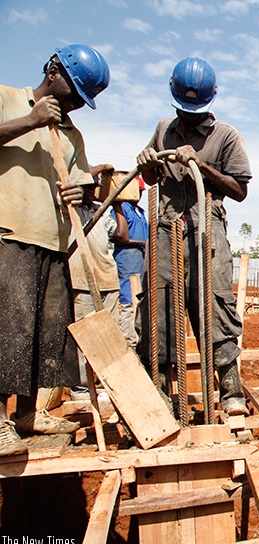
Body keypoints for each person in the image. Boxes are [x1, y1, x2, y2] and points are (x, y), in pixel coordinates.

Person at [0, 44, 110, 453]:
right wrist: (30, 120)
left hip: (54, 242)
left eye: (81, 101)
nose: (74, 106)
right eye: (72, 95)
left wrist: (81, 189)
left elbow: (83, 183)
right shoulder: (8, 99)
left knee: (46, 333)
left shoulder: (71, 134)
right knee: (9, 330)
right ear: (53, 72)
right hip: (11, 232)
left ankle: (29, 412)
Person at [136, 57, 251, 417]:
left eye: (195, 111)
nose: (188, 117)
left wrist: (200, 166)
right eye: (183, 110)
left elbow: (240, 190)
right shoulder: (163, 129)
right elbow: (152, 180)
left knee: (215, 305)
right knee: (160, 307)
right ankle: (160, 393)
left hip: (207, 231)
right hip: (167, 227)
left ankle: (230, 390)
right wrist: (146, 164)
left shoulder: (226, 136)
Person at [69, 164, 121, 398]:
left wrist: (117, 202)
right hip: (81, 278)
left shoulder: (101, 211)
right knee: (85, 333)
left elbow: (120, 234)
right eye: (86, 186)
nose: (91, 191)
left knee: (110, 334)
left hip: (107, 277)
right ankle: (81, 386)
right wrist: (100, 168)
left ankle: (105, 382)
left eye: (94, 188)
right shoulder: (70, 210)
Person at [106, 174, 148, 348]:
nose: (139, 195)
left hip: (141, 262)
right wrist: (142, 243)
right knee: (128, 301)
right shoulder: (121, 208)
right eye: (137, 191)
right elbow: (119, 237)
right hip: (127, 260)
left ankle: (137, 341)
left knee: (139, 301)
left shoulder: (141, 212)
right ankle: (128, 343)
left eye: (141, 192)